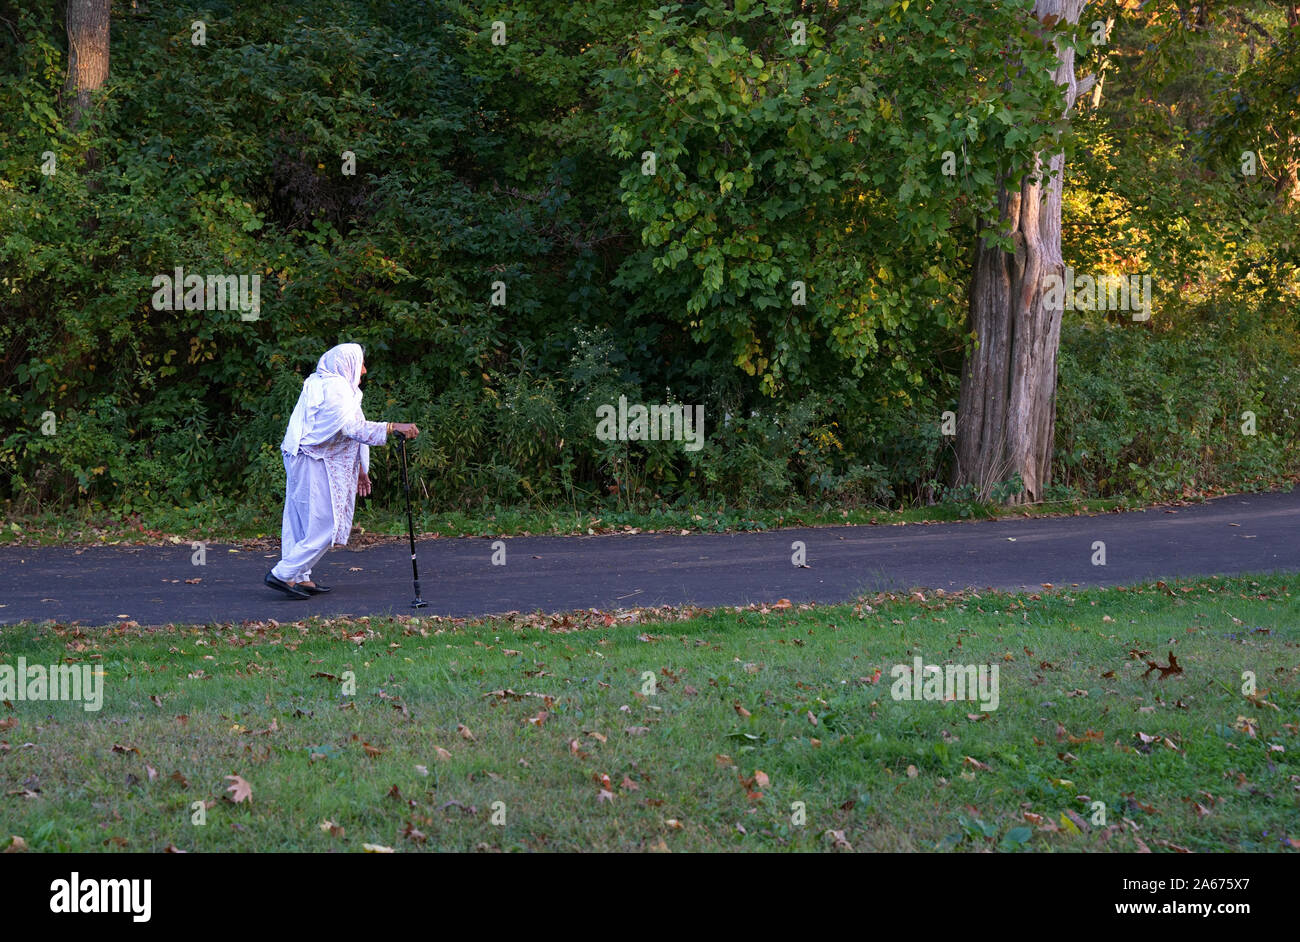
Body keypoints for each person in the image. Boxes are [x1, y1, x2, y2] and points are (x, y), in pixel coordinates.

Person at [264, 343, 419, 599]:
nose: (365, 370)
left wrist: (360, 469)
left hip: (308, 458)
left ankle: (299, 577)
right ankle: (282, 574)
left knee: (301, 521)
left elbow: (349, 428)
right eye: (361, 364)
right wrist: (393, 427)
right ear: (346, 364)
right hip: (312, 460)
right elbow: (352, 429)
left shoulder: (331, 385)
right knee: (326, 524)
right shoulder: (334, 388)